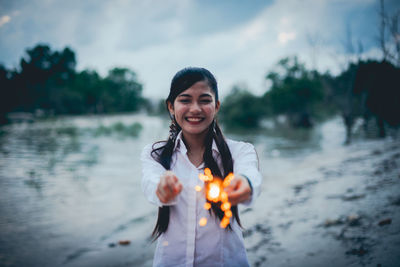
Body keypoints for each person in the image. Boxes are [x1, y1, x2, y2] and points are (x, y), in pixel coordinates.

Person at [141, 67, 262, 267]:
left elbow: (250, 174)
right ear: (171, 106)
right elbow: (150, 181)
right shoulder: (155, 154)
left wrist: (245, 183)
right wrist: (161, 186)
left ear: (216, 107)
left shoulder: (240, 151)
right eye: (185, 100)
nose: (195, 108)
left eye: (205, 100)